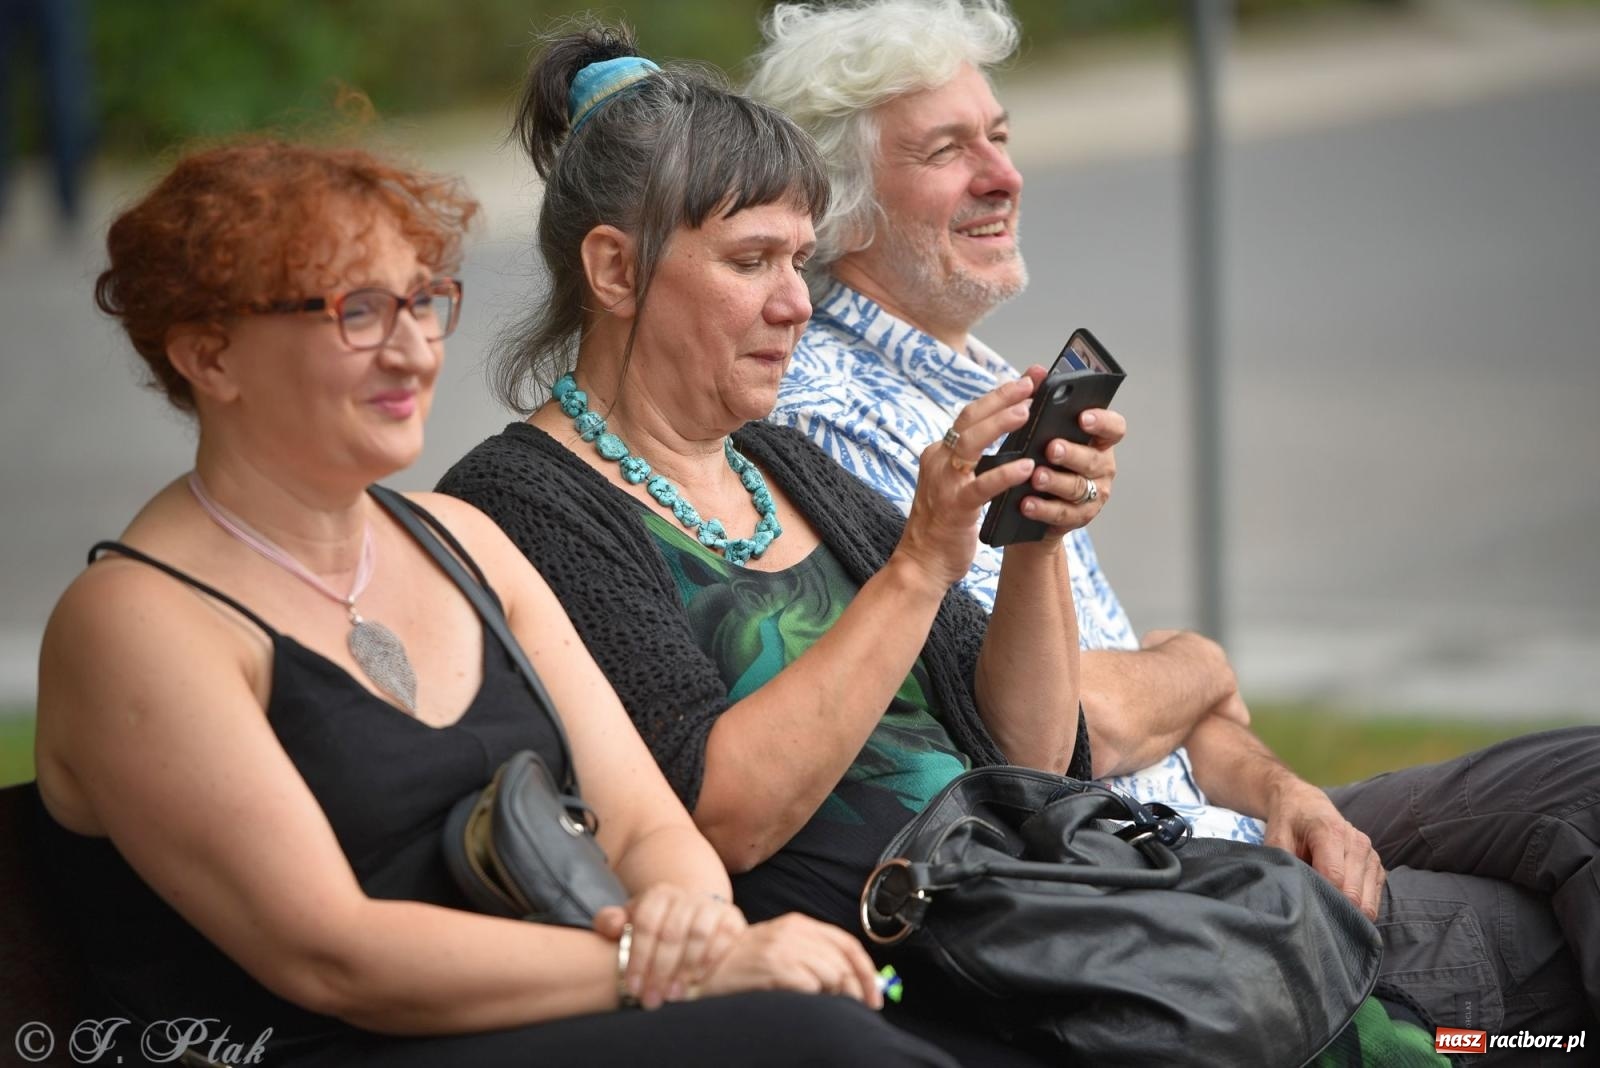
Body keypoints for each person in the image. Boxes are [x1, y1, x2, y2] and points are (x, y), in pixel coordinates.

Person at [747, 0, 1599, 1050]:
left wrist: (1285, 787)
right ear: (843, 205)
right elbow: (1059, 731)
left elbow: (1165, 715)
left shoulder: (968, 377)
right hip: (1166, 893)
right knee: (1536, 946)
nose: (1003, 176)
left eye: (999, 136)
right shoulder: (834, 418)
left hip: (1229, 820)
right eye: (946, 150)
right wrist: (1196, 664)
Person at [31, 136, 959, 1068]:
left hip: (567, 1018)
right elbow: (334, 957)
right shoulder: (137, 620)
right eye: (357, 312)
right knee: (822, 1041)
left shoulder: (459, 539)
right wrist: (675, 967)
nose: (411, 351)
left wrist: (692, 921)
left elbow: (650, 828)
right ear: (210, 355)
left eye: (422, 302)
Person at [439, 20, 1121, 1064]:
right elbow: (722, 817)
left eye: (800, 259)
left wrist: (1029, 531)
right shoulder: (520, 505)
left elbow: (1028, 756)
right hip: (869, 992)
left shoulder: (784, 463)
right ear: (615, 270)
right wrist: (919, 564)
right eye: (751, 260)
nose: (798, 302)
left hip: (1022, 935)